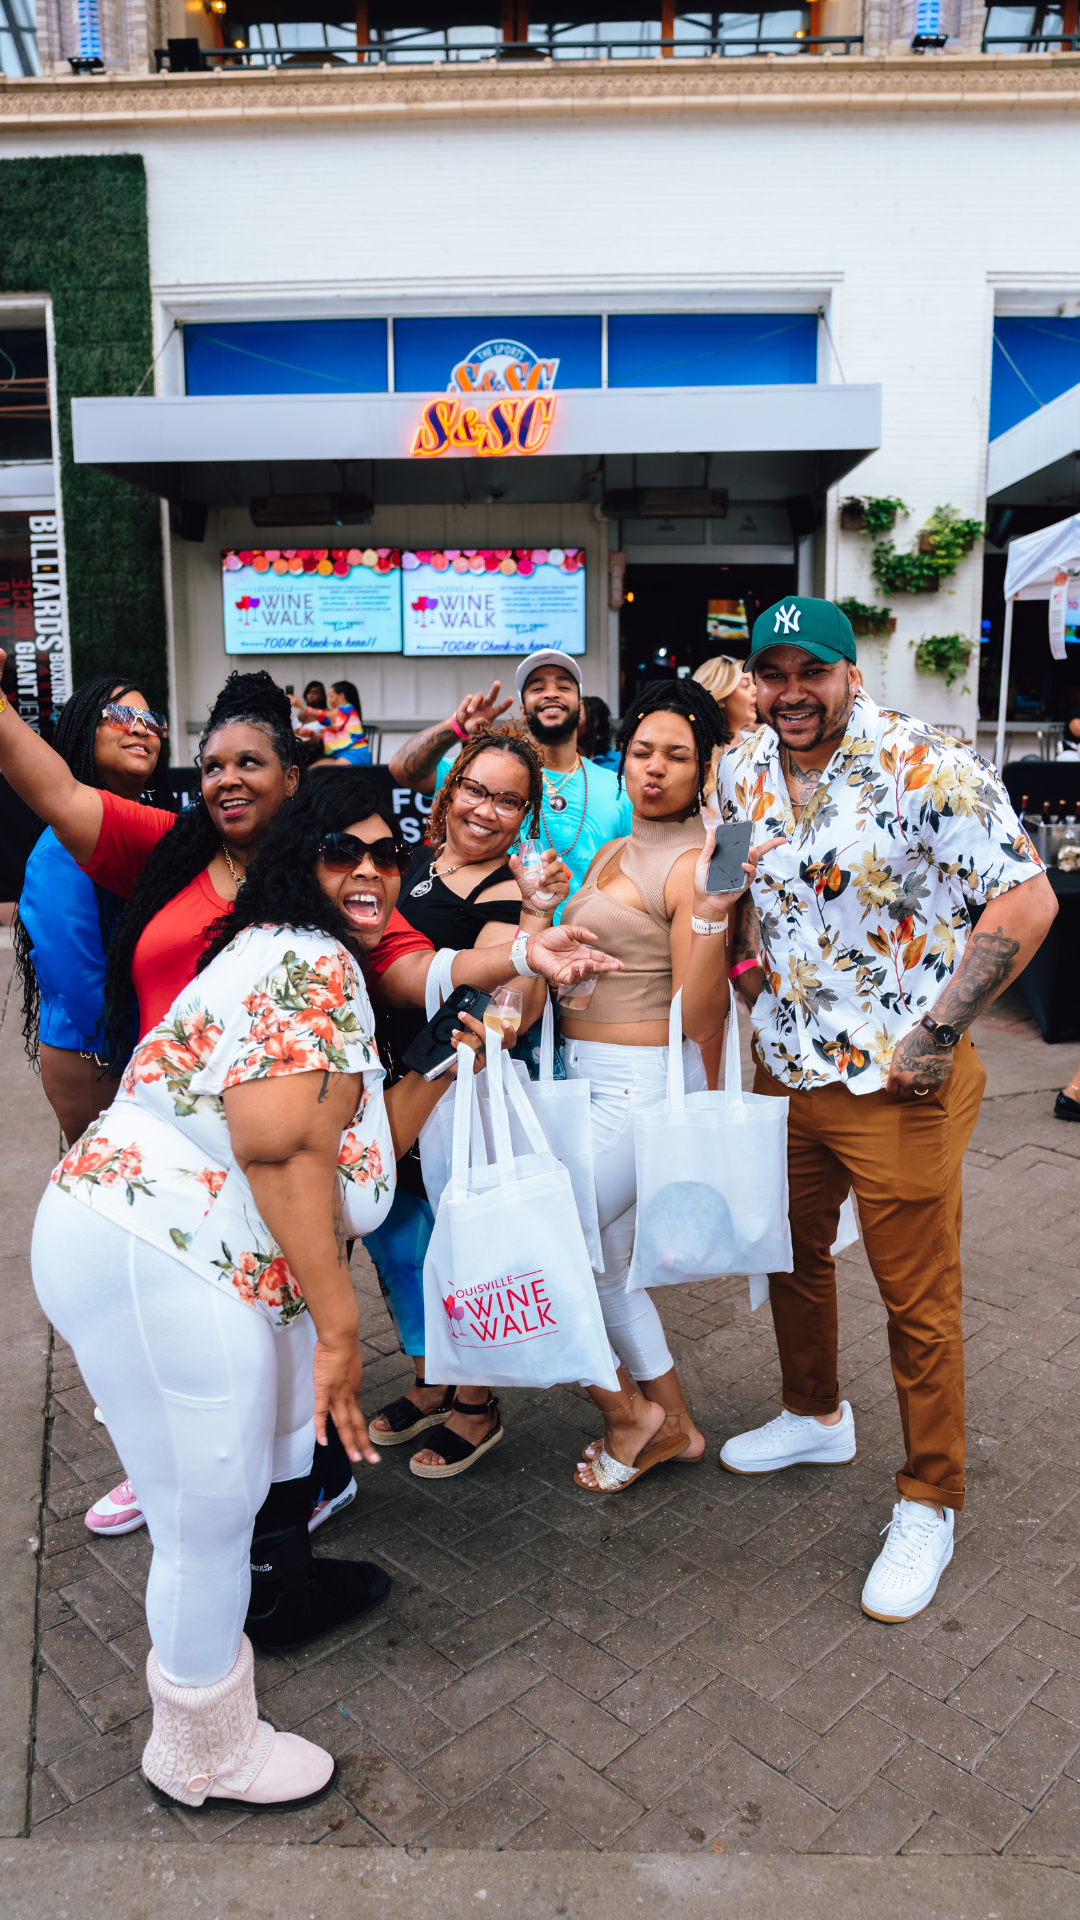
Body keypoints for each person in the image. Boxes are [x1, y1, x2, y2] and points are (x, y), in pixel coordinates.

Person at [29, 769, 497, 1813]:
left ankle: (215, 1699)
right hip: (158, 1253)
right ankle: (200, 1753)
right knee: (206, 1514)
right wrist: (340, 1330)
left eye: (389, 853)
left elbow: (354, 1175)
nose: (372, 870)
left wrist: (444, 1063)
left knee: (227, 1496)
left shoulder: (302, 960)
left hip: (177, 1255)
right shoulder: (309, 959)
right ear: (299, 860)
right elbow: (283, 1148)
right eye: (344, 851)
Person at [0, 666, 403, 1560]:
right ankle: (195, 1481)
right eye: (212, 762)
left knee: (286, 1349)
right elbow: (59, 789)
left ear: (293, 779)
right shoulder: (176, 849)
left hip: (283, 1140)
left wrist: (521, 954)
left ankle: (279, 1506)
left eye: (251, 762)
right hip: (179, 1139)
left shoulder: (336, 876)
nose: (227, 778)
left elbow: (414, 960)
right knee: (204, 1353)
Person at [713, 596, 1057, 1621]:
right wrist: (739, 960)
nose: (788, 692)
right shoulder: (740, 764)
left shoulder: (927, 764)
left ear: (849, 675)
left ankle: (929, 1499)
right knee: (789, 1255)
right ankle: (815, 1413)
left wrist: (941, 1032)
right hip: (785, 1066)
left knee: (919, 1300)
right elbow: (731, 871)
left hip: (894, 1082)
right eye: (770, 673)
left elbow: (1026, 898)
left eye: (808, 671)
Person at [559, 678, 779, 1495]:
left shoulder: (699, 860)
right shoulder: (618, 848)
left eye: (675, 755)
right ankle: (677, 1425)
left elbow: (696, 1013)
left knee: (559, 1250)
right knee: (609, 1270)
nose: (653, 769)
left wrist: (717, 913)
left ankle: (634, 1417)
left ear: (704, 765)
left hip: (637, 1089)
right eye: (641, 751)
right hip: (582, 1079)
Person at [366, 723, 586, 1477]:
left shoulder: (507, 891)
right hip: (386, 1080)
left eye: (508, 801)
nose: (487, 810)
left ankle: (475, 1402)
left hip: (453, 1090)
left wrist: (534, 919)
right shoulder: (414, 866)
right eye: (476, 790)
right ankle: (431, 1379)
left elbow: (509, 1008)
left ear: (525, 816)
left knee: (460, 1245)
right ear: (450, 789)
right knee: (399, 1240)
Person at [13, 677, 166, 1145]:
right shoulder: (63, 847)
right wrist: (157, 1053)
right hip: (98, 1053)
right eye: (120, 716)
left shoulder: (142, 826)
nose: (140, 729)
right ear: (84, 732)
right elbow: (79, 982)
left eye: (150, 721)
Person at [388, 653, 633, 908]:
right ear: (522, 710)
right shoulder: (483, 773)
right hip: (500, 933)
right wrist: (456, 728)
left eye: (563, 686)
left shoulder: (619, 788)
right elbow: (402, 769)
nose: (551, 693)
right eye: (538, 688)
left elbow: (629, 873)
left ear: (580, 707)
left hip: (587, 939)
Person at [291, 679, 370, 765]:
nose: (329, 700)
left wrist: (302, 706)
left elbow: (323, 715)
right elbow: (334, 733)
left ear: (341, 696)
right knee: (313, 770)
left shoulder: (346, 709)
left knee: (317, 772)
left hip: (354, 755)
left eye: (331, 696)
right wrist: (313, 734)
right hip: (342, 756)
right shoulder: (340, 716)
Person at [693, 654, 758, 747]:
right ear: (721, 697)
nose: (756, 690)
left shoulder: (757, 743)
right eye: (745, 685)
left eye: (753, 683)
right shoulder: (699, 751)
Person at [578, 694, 621, 772]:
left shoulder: (617, 762)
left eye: (578, 717)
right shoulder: (563, 760)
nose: (572, 722)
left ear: (595, 721)